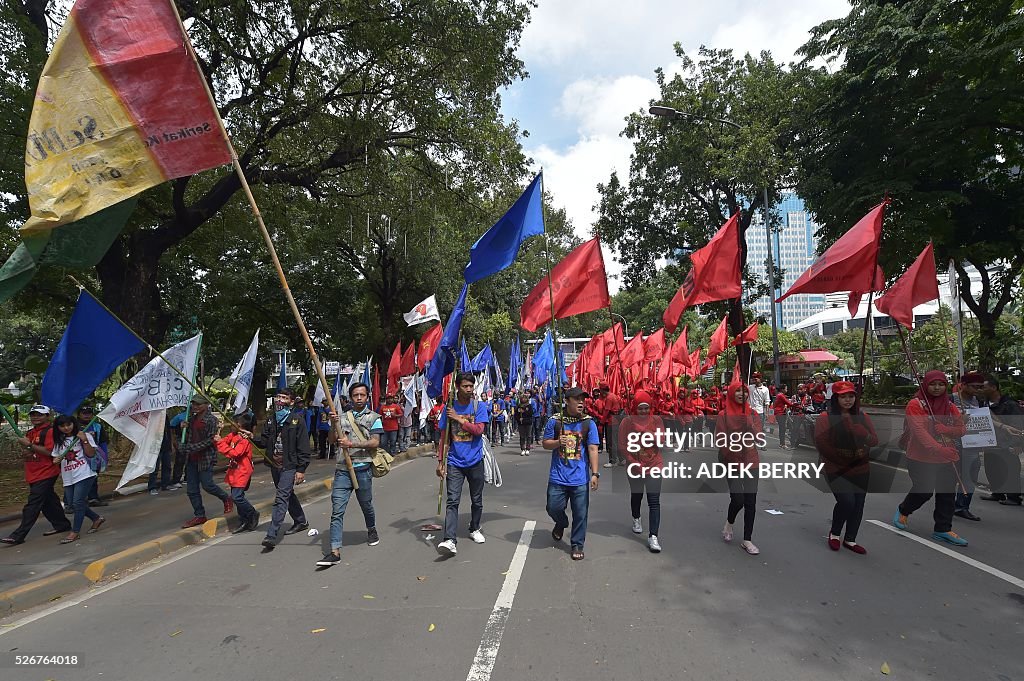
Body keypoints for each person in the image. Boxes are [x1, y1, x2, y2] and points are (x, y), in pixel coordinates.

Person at [893, 370, 968, 546]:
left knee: (947, 494)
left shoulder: (950, 406)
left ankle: (942, 529)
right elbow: (920, 432)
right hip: (920, 457)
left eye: (941, 384)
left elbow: (962, 429)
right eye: (933, 384)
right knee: (924, 490)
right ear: (925, 385)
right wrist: (939, 449)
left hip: (947, 457)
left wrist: (946, 430)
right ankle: (904, 510)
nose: (937, 388)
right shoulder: (915, 405)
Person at [317, 382, 382, 566]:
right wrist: (332, 424)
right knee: (337, 510)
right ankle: (334, 550)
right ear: (351, 397)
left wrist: (352, 444)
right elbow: (332, 441)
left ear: (367, 397)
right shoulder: (341, 417)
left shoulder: (374, 418)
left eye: (362, 395)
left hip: (363, 469)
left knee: (366, 505)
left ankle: (371, 529)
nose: (359, 398)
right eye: (355, 395)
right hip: (343, 470)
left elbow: (375, 442)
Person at [814, 381, 878, 554]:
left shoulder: (863, 417)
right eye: (843, 397)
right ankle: (835, 533)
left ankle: (850, 538)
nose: (848, 400)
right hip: (836, 467)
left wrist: (862, 433)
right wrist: (842, 460)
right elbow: (822, 444)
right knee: (846, 502)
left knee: (858, 504)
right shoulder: (825, 418)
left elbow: (874, 441)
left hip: (861, 467)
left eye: (851, 396)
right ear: (836, 398)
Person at [544, 386, 600, 561]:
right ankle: (561, 523)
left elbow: (592, 448)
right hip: (558, 477)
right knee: (553, 507)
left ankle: (577, 544)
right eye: (577, 399)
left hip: (580, 479)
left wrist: (595, 474)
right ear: (567, 401)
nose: (581, 402)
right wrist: (556, 442)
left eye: (583, 399)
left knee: (581, 514)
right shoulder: (555, 421)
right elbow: (545, 444)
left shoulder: (588, 423)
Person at [436, 373, 490, 556]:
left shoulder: (479, 406)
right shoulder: (448, 408)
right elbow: (444, 436)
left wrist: (459, 419)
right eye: (465, 386)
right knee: (452, 500)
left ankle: (474, 527)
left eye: (471, 386)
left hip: (475, 461)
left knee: (477, 499)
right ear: (457, 387)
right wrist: (440, 462)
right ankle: (449, 539)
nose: (469, 389)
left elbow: (479, 430)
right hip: (454, 462)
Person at [2, 405, 72, 545]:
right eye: (33, 414)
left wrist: (29, 446)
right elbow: (30, 451)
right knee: (48, 501)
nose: (35, 417)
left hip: (46, 472)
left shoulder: (51, 432)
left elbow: (51, 452)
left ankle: (18, 535)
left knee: (33, 504)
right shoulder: (30, 432)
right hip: (33, 472)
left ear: (47, 416)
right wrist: (27, 450)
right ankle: (62, 524)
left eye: (39, 415)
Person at [252, 388, 310, 548]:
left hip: (289, 466)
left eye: (284, 398)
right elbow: (264, 442)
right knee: (287, 494)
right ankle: (301, 521)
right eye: (278, 397)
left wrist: (301, 469)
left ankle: (271, 534)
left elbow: (304, 448)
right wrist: (250, 437)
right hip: (274, 465)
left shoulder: (297, 421)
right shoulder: (272, 420)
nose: (279, 400)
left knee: (281, 498)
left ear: (291, 402)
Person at [717, 382, 762, 555]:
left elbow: (760, 439)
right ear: (731, 394)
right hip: (732, 462)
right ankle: (729, 522)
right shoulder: (724, 414)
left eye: (744, 392)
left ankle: (747, 539)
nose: (742, 394)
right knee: (738, 499)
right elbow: (720, 440)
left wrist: (749, 424)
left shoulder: (753, 413)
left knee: (750, 501)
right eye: (738, 391)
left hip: (752, 461)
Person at [178, 395, 233, 528]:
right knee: (191, 489)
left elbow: (211, 440)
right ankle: (199, 515)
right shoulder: (190, 419)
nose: (195, 407)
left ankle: (226, 498)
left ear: (206, 405)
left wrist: (190, 448)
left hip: (205, 458)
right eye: (194, 404)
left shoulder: (212, 420)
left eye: (198, 404)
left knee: (208, 485)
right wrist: (183, 428)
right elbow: (187, 436)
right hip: (191, 459)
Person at [619, 390, 663, 553]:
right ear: (635, 408)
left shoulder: (656, 420)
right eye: (640, 408)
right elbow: (622, 446)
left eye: (646, 408)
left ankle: (653, 536)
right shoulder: (627, 422)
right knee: (637, 495)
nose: (644, 411)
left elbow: (661, 440)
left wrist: (644, 431)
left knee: (654, 501)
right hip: (635, 466)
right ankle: (636, 518)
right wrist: (633, 462)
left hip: (654, 465)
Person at [50, 415, 105, 544]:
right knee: (73, 503)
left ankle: (75, 532)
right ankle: (96, 518)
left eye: (68, 424)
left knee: (78, 502)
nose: (66, 428)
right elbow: (55, 457)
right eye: (62, 426)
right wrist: (56, 460)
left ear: (73, 424)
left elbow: (91, 453)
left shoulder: (83, 435)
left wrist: (84, 440)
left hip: (85, 473)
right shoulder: (59, 441)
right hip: (68, 476)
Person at [978, 375, 1023, 506]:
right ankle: (997, 492)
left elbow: (1019, 425)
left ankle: (1014, 497)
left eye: (983, 387)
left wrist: (1019, 444)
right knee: (992, 468)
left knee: (1009, 469)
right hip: (991, 443)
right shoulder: (983, 404)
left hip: (1007, 444)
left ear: (993, 387)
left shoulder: (1009, 405)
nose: (980, 390)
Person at [216, 414, 259, 533]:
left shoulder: (244, 440)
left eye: (234, 424)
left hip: (242, 471)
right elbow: (223, 442)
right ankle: (244, 519)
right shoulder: (233, 436)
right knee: (237, 497)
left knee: (237, 496)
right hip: (234, 471)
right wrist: (218, 434)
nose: (231, 426)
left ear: (240, 426)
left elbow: (235, 453)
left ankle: (252, 513)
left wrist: (220, 443)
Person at [952, 372, 986, 520]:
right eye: (974, 387)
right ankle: (946, 504)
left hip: (972, 445)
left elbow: (984, 419)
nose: (977, 390)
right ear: (963, 385)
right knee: (952, 477)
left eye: (980, 387)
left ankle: (962, 506)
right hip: (954, 444)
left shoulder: (978, 401)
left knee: (970, 476)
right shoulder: (950, 400)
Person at [76, 406, 109, 506]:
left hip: (94, 455)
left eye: (89, 413)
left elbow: (103, 442)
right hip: (78, 456)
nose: (86, 415)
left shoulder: (97, 426)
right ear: (79, 414)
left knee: (93, 477)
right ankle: (72, 501)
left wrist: (105, 457)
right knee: (77, 478)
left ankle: (93, 498)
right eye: (84, 413)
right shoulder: (74, 426)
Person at [748, 373, 771, 446]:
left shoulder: (765, 389)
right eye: (754, 378)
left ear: (760, 379)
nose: (755, 379)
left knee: (760, 428)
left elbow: (767, 402)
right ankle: (751, 443)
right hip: (750, 411)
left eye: (757, 378)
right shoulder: (749, 388)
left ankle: (762, 443)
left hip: (760, 412)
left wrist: (767, 413)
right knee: (750, 428)